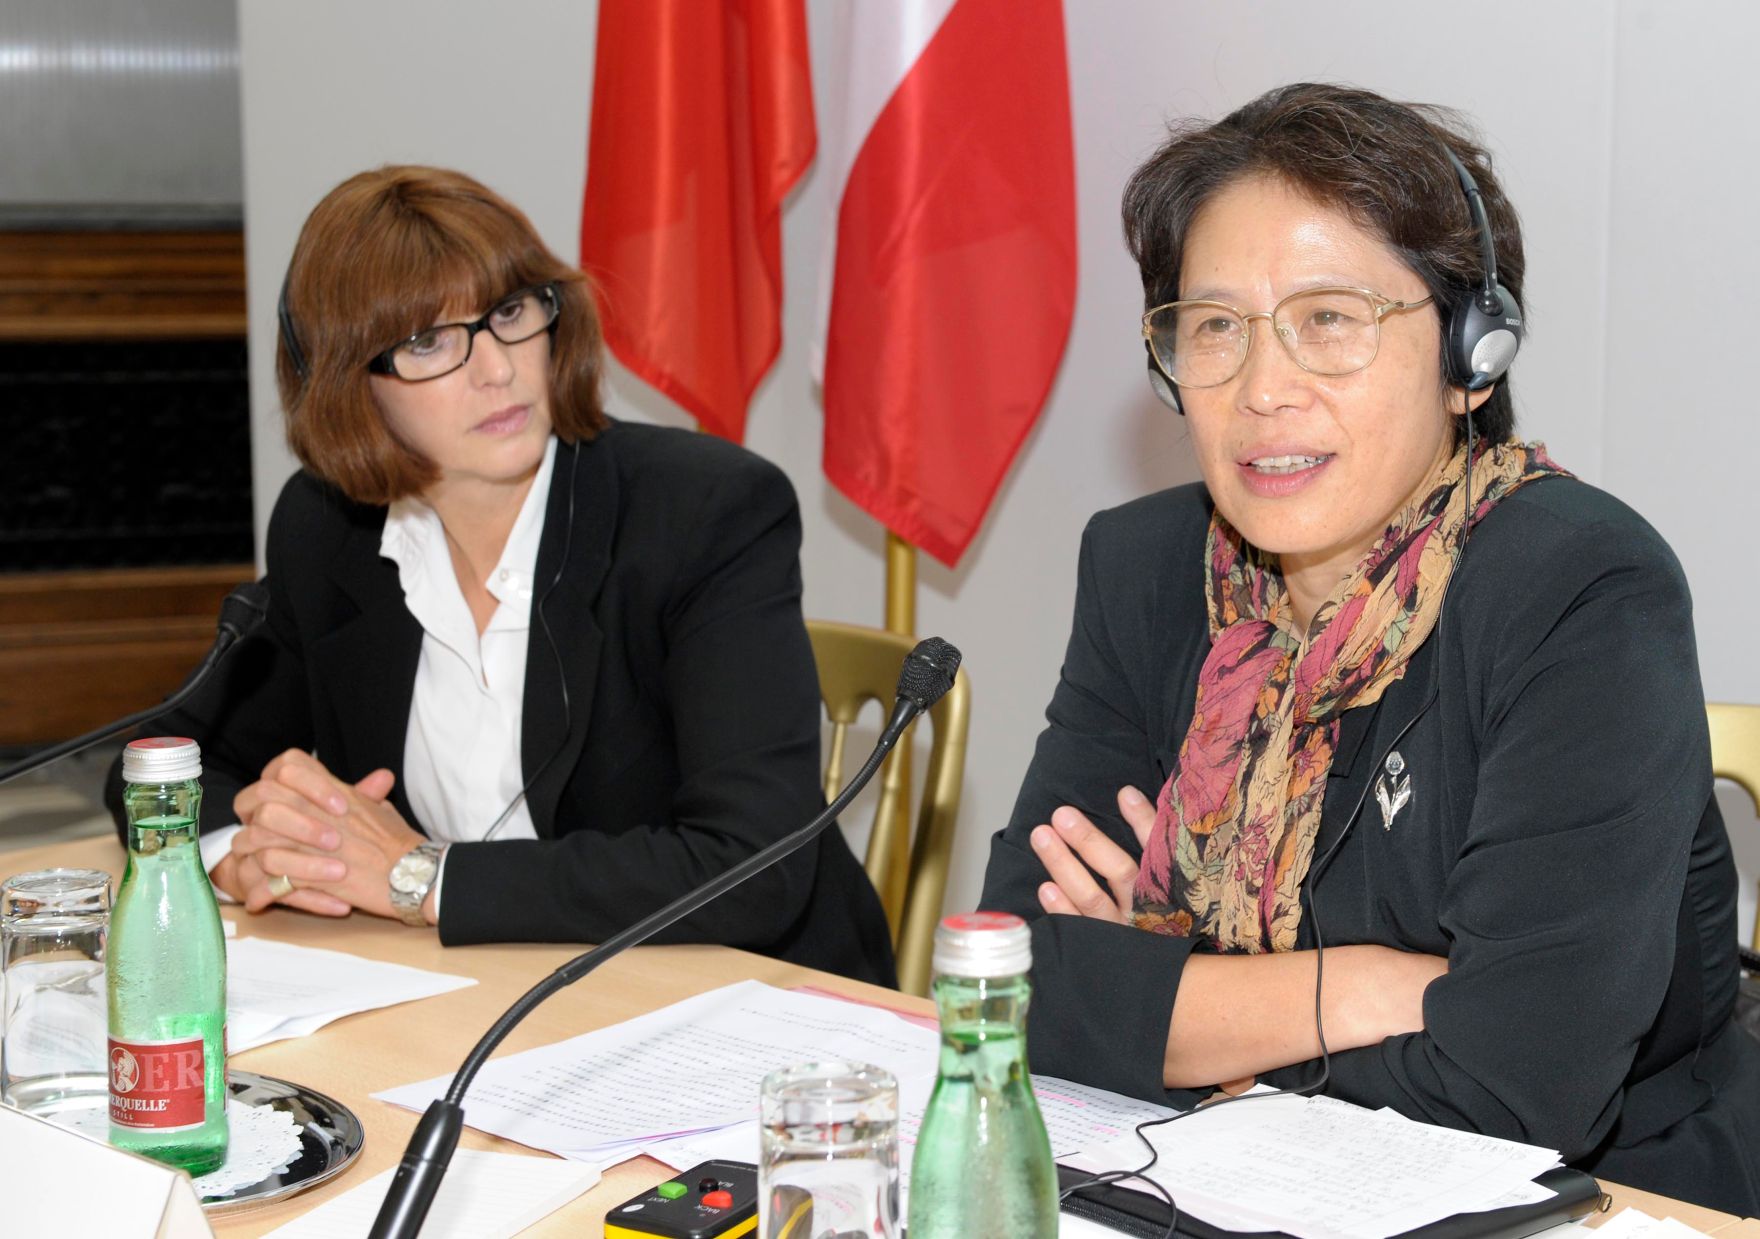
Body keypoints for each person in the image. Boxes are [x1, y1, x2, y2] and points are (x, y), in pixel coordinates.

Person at [980, 84, 1760, 1211]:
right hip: (1223, 1186)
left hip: (1600, 1204)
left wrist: (1169, 1005)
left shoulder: (1579, 588)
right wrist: (1357, 988)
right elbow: (1008, 984)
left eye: (1328, 319)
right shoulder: (1145, 569)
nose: (1259, 388)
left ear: (1466, 356)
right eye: (1212, 327)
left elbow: (1513, 1084)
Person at [106, 165, 895, 987]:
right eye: (428, 342)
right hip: (486, 1002)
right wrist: (249, 852)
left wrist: (421, 877)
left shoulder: (704, 513)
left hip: (745, 1008)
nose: (496, 369)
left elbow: (754, 866)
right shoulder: (329, 528)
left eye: (510, 313)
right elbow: (164, 767)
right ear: (349, 387)